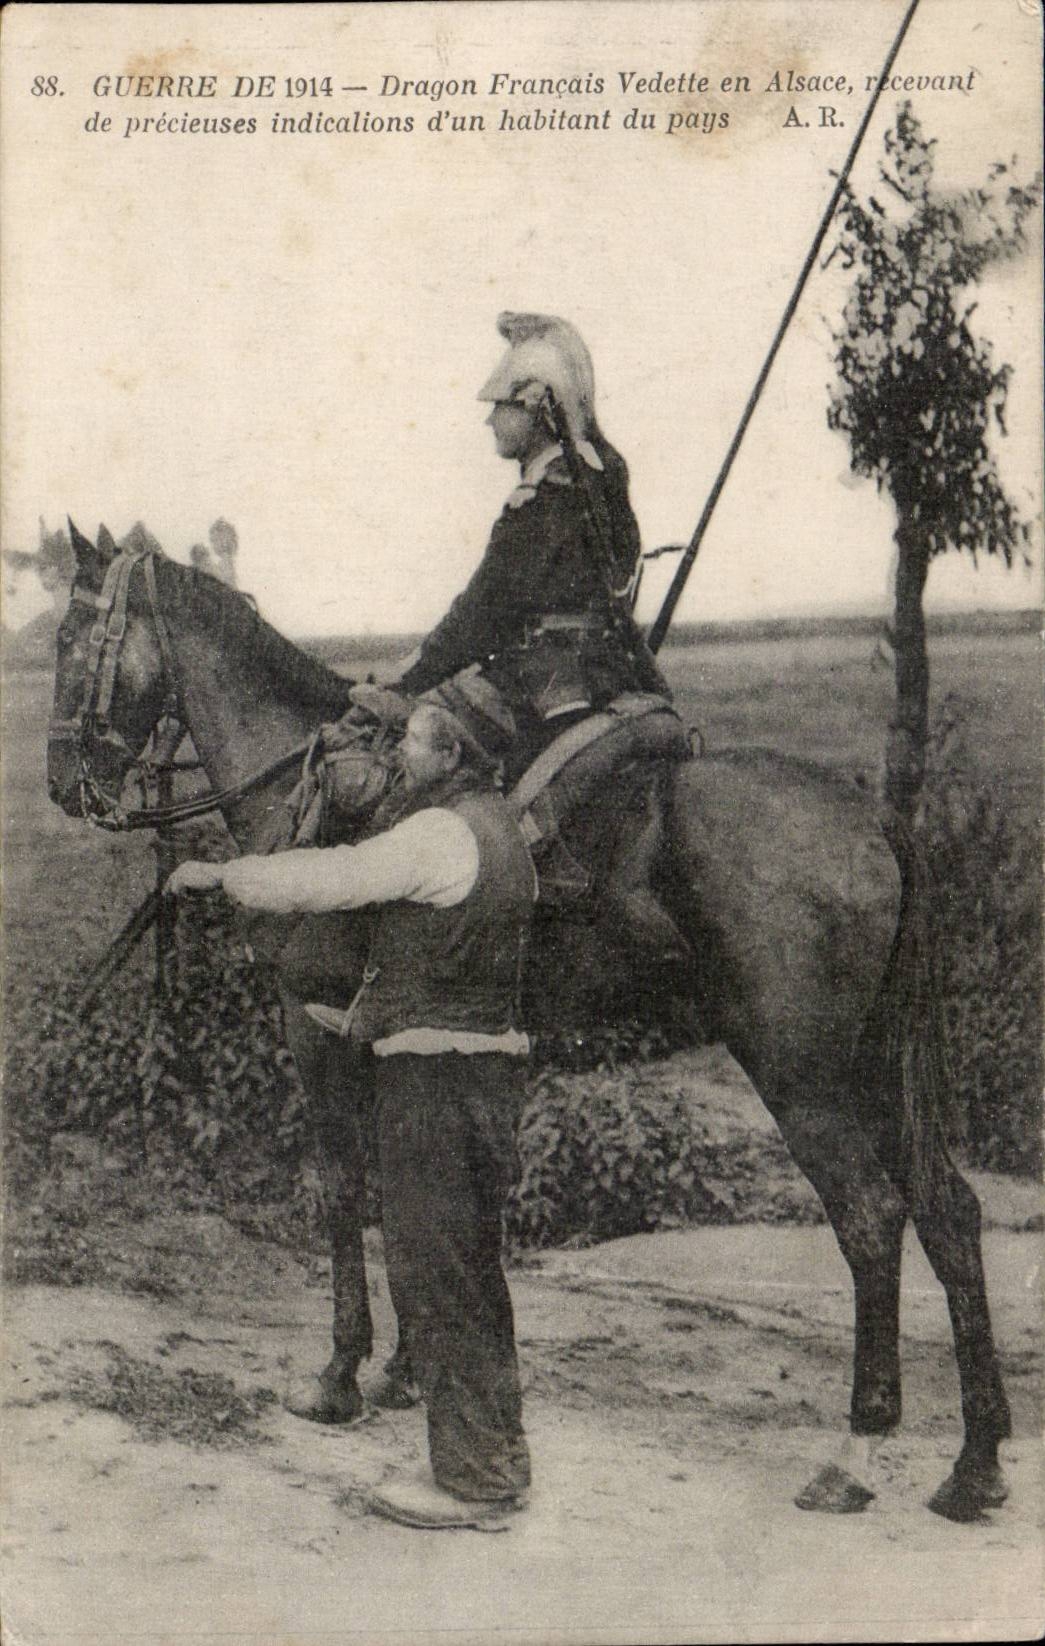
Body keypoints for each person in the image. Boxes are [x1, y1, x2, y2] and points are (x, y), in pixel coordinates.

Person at [167, 685, 538, 1531]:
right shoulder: (505, 833)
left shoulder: (438, 834)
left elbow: (333, 879)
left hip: (430, 1090)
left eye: (411, 741)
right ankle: (498, 1461)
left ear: (452, 758)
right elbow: (451, 957)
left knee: (433, 1277)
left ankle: (472, 1486)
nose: (397, 753)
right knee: (474, 1279)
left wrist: (223, 873)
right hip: (485, 1077)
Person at [394, 312, 668, 774]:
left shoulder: (543, 497)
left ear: (538, 407)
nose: (489, 419)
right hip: (617, 674)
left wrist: (408, 679)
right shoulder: (599, 482)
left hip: (548, 688)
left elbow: (482, 612)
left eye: (501, 405)